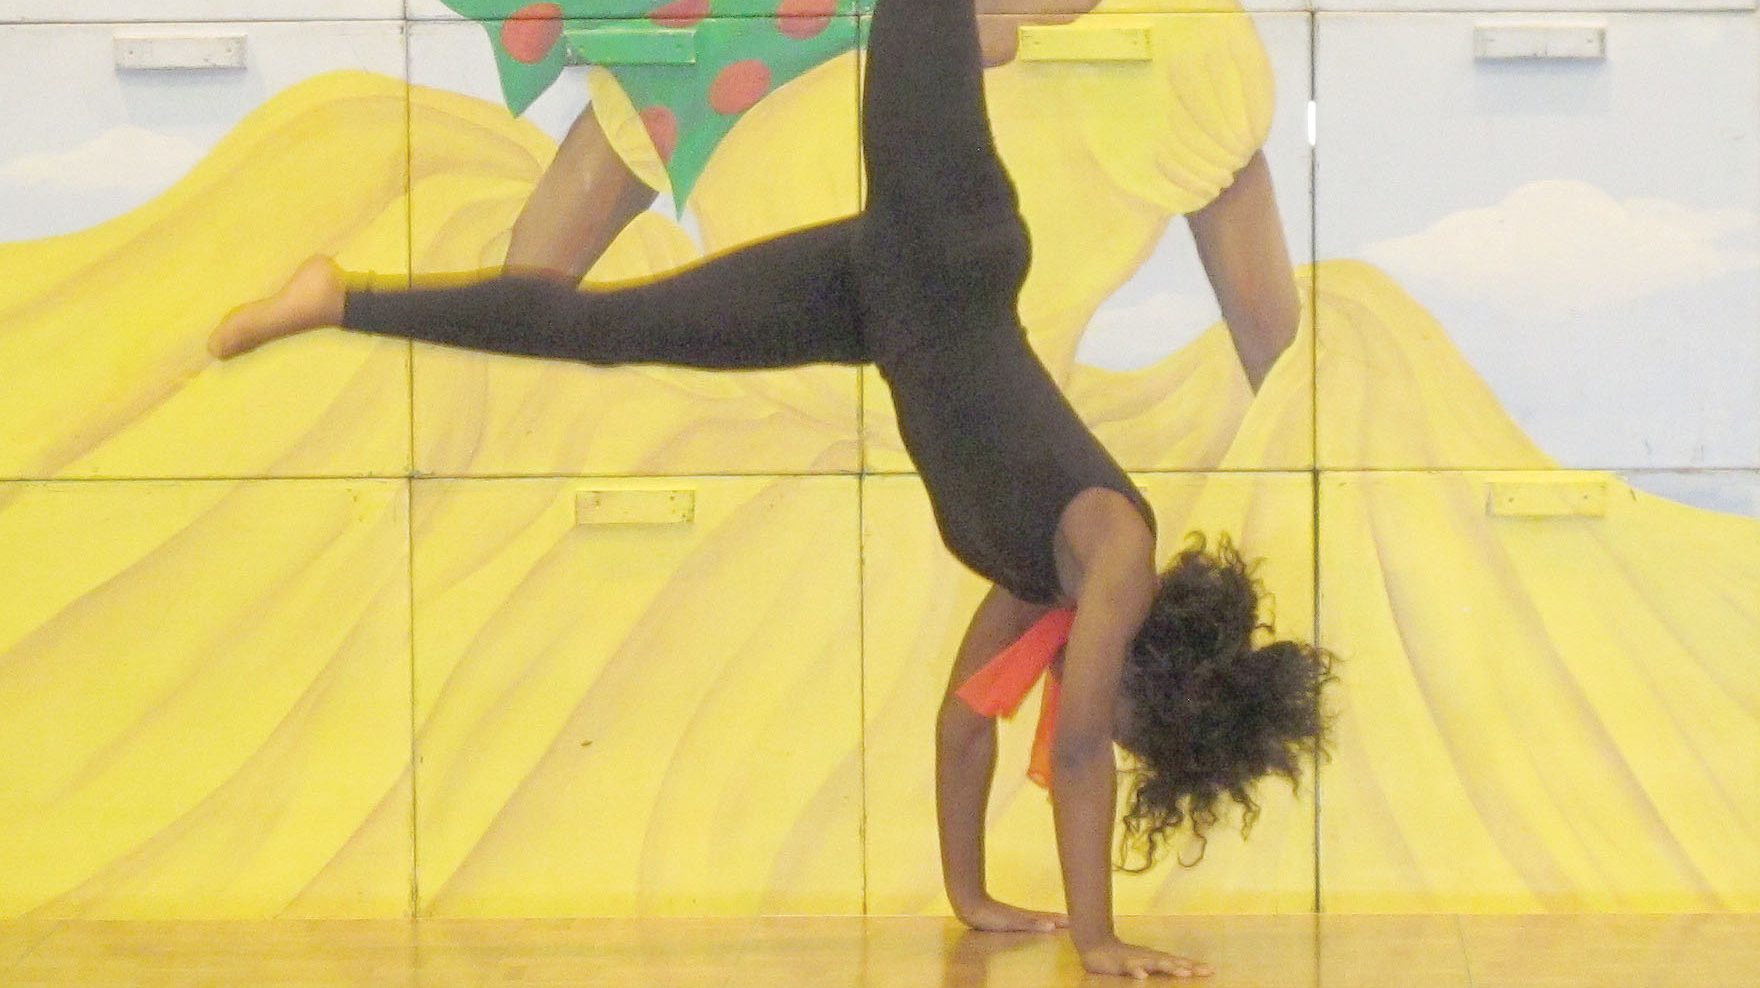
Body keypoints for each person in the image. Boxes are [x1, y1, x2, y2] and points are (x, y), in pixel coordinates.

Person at [206, 0, 1333, 977]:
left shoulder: (1043, 585)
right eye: (1142, 732)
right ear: (1161, 681)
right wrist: (1097, 939)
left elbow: (961, 730)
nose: (1107, 733)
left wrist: (972, 896)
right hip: (947, 243)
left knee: (605, 330)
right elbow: (1077, 754)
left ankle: (336, 298)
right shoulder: (1113, 553)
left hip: (874, 301)